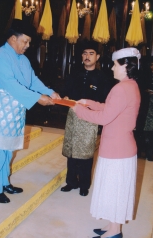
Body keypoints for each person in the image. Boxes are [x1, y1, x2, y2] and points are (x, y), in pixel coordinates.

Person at [0, 19, 60, 204]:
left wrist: (49, 91)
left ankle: (4, 182)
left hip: (13, 111)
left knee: (7, 149)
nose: (28, 45)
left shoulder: (22, 59)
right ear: (13, 38)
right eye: (25, 41)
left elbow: (32, 80)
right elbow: (11, 85)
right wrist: (38, 98)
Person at [73, 48, 141, 238]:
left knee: (115, 189)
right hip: (120, 146)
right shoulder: (130, 85)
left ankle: (115, 231)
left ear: (126, 66)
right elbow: (111, 109)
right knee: (114, 188)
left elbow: (104, 117)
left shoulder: (121, 88)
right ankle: (112, 226)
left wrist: (79, 110)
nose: (111, 68)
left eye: (115, 64)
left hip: (117, 149)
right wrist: (89, 102)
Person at [61, 40, 111, 197]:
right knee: (71, 149)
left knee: (86, 151)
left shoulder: (103, 78)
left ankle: (84, 184)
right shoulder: (73, 73)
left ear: (97, 57)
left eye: (91, 53)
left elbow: (105, 101)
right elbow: (65, 92)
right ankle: (71, 182)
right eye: (84, 53)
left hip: (90, 117)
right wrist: (66, 97)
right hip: (73, 115)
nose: (87, 56)